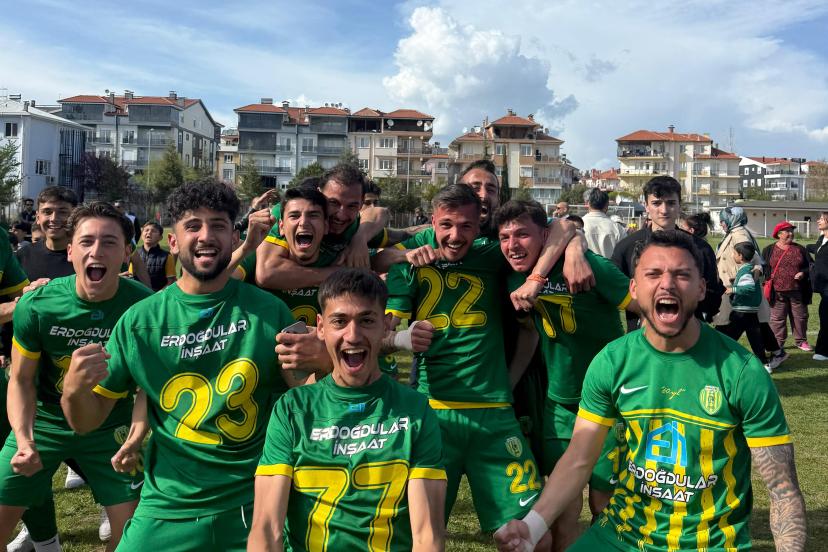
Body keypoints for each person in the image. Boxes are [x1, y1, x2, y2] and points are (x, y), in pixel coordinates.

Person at [494, 230, 806, 552]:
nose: (667, 284)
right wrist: (531, 527)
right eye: (653, 274)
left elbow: (782, 490)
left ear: (701, 288)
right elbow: (578, 459)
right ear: (633, 288)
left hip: (706, 544)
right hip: (620, 535)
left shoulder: (742, 371)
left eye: (681, 275)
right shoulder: (612, 361)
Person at [60, 179, 304, 551]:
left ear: (234, 238)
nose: (206, 235)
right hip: (168, 504)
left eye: (218, 225)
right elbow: (86, 421)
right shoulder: (140, 321)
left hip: (256, 500)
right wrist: (73, 391)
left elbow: (308, 397)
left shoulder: (270, 311)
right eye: (193, 226)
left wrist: (322, 362)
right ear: (173, 242)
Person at [385, 185, 548, 538]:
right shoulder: (411, 258)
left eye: (466, 226)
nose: (455, 236)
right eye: (446, 225)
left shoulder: (492, 253)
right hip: (434, 413)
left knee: (531, 535)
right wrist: (400, 338)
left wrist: (508, 381)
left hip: (494, 413)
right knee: (417, 535)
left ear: (479, 225)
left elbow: (559, 233)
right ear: (432, 222)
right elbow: (379, 335)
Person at [248, 269, 447, 551]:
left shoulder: (414, 410)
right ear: (320, 327)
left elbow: (427, 537)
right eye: (339, 321)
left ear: (385, 326)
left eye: (366, 320)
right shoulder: (293, 409)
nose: (353, 335)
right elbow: (267, 530)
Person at [0, 202, 152, 552]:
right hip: (46, 423)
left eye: (109, 242)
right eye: (86, 241)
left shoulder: (145, 308)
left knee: (133, 539)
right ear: (70, 251)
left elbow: (148, 386)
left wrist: (135, 438)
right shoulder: (38, 305)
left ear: (126, 254)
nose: (96, 251)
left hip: (112, 426)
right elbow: (21, 380)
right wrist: (24, 439)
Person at [496, 200, 637, 550]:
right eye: (504, 237)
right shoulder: (514, 277)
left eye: (522, 234)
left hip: (611, 404)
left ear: (544, 235)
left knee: (604, 504)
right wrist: (509, 383)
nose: (512, 245)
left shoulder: (590, 267)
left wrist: (638, 366)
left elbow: (644, 307)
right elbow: (529, 332)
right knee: (563, 508)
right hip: (559, 402)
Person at [612, 176, 723, 330]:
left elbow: (712, 297)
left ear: (679, 205)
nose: (664, 210)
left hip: (689, 335)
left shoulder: (701, 248)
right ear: (646, 206)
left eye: (671, 203)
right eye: (656, 203)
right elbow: (614, 290)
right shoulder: (626, 248)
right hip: (642, 334)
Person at [256, 164, 391, 289]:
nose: (341, 215)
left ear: (361, 204)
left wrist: (360, 238)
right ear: (319, 193)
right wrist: (342, 273)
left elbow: (380, 213)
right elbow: (267, 273)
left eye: (352, 206)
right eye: (333, 202)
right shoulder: (289, 212)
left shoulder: (356, 227)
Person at [713, 206, 787, 371]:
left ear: (732, 220)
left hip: (738, 290)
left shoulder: (739, 235)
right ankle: (774, 354)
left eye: (723, 220)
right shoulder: (735, 233)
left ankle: (721, 356)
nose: (721, 223)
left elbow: (754, 259)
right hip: (737, 288)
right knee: (753, 325)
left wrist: (747, 279)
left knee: (735, 325)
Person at [719, 242, 773, 369]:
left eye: (734, 253)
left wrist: (733, 289)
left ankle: (723, 360)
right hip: (751, 312)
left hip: (741, 312)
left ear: (740, 256)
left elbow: (749, 288)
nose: (732, 255)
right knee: (756, 339)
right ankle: (764, 363)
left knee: (728, 338)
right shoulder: (750, 269)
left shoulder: (745, 271)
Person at [762, 221, 812, 352]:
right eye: (787, 231)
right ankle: (777, 343)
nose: (791, 234)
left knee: (800, 316)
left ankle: (801, 341)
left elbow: (810, 266)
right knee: (777, 318)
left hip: (797, 290)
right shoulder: (768, 250)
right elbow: (763, 268)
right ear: (779, 234)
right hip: (776, 292)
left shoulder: (800, 249)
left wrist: (803, 273)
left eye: (792, 231)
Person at [17, 186, 78, 280]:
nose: (54, 219)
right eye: (47, 212)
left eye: (62, 212)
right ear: (38, 217)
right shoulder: (23, 256)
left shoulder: (86, 256)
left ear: (75, 216)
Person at [807, 212, 828, 361]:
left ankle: (823, 351)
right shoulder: (822, 238)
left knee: (825, 315)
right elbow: (815, 248)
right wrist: (803, 248)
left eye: (821, 219)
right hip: (822, 285)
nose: (818, 221)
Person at [581, 188, 624, 258]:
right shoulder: (617, 228)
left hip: (585, 264)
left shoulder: (578, 226)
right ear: (607, 205)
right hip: (611, 264)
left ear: (588, 203)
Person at [136, 222, 175, 291]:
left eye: (153, 231)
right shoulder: (135, 255)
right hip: (138, 295)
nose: (149, 232)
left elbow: (171, 282)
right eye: (146, 230)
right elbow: (131, 278)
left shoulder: (167, 256)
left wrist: (157, 295)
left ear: (160, 237)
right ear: (141, 235)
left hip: (158, 296)